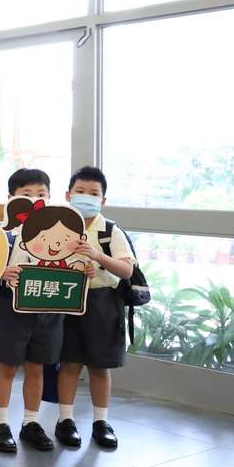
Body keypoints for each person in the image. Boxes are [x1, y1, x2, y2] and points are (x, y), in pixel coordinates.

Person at [57, 166, 136, 450]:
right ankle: (65, 420)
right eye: (80, 191)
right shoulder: (59, 226)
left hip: (102, 303)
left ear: (103, 200)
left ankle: (101, 422)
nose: (86, 197)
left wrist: (98, 258)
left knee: (100, 366)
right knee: (69, 362)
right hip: (67, 301)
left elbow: (127, 270)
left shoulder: (110, 230)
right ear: (68, 195)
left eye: (93, 193)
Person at [0, 169, 66, 453]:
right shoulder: (1, 232)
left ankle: (31, 423)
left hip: (47, 308)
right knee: (7, 366)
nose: (35, 199)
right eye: (26, 194)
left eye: (41, 194)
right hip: (11, 308)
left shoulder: (62, 230)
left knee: (37, 367)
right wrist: (1, 273)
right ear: (11, 198)